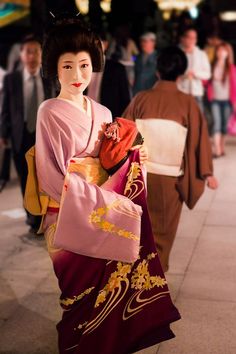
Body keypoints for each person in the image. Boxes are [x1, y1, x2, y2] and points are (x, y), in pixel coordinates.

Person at [33, 17, 181, 354]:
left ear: (93, 65)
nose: (76, 75)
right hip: (67, 213)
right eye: (67, 66)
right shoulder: (49, 111)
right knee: (76, 293)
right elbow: (51, 174)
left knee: (108, 287)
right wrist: (93, 202)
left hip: (102, 207)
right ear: (54, 69)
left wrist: (133, 153)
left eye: (83, 65)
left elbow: (113, 162)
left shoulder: (102, 111)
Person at [122, 46, 218, 272]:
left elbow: (125, 131)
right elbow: (199, 139)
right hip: (170, 180)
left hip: (139, 176)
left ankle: (135, 276)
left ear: (157, 71)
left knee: (138, 230)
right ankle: (154, 282)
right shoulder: (188, 104)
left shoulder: (141, 98)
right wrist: (206, 173)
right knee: (162, 234)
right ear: (182, 73)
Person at [0, 34, 56, 231]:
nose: (32, 56)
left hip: (44, 134)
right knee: (26, 177)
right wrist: (3, 135)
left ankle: (46, 216)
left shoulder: (50, 77)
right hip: (21, 134)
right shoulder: (11, 80)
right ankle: (32, 217)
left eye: (36, 51)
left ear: (42, 55)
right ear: (22, 55)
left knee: (45, 177)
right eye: (28, 52)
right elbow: (5, 109)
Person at [87, 33, 131, 117]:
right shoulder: (81, 68)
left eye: (96, 43)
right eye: (89, 44)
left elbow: (125, 99)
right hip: (85, 114)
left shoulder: (117, 69)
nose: (93, 47)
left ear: (106, 45)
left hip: (108, 116)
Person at [206, 42, 236, 157]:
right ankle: (217, 149)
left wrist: (234, 102)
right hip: (215, 100)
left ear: (228, 53)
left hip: (228, 101)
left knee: (224, 125)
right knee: (216, 123)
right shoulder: (212, 66)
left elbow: (234, 86)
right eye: (219, 50)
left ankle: (222, 147)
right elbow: (206, 81)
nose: (221, 53)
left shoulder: (232, 68)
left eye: (224, 50)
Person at [178, 27, 211, 111]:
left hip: (196, 92)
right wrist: (184, 75)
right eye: (189, 37)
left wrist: (195, 73)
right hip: (181, 91)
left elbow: (208, 74)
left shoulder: (201, 54)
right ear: (184, 38)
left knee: (197, 118)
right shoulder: (178, 53)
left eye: (194, 38)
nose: (192, 40)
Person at [133, 32, 157, 96]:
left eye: (145, 41)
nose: (142, 44)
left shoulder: (158, 58)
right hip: (137, 91)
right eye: (141, 41)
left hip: (151, 91)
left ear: (153, 43)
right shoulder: (137, 57)